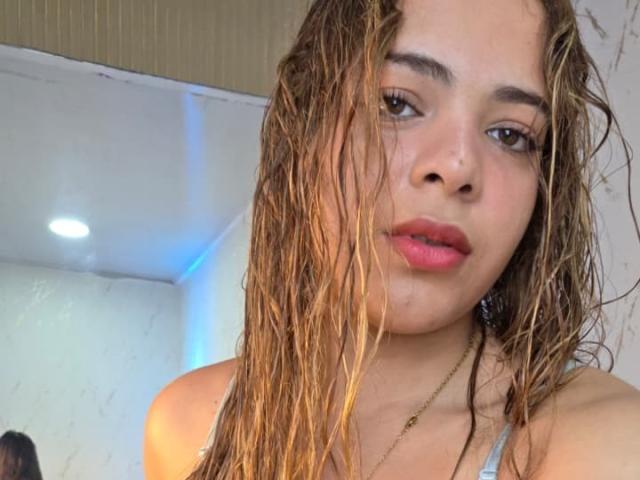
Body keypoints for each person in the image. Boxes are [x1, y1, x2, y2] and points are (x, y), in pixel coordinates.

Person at [144, 0, 640, 478]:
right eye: (396, 103)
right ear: (305, 127)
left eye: (510, 135)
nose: (456, 166)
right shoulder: (190, 424)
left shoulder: (608, 446)